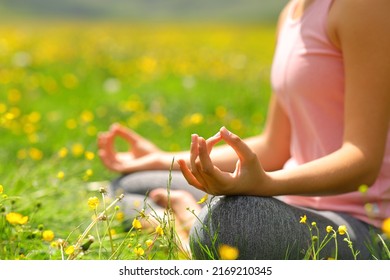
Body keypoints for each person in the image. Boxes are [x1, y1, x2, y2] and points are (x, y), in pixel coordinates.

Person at [97, 0, 390, 259]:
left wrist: (266, 184)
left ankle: (188, 225)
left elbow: (363, 162)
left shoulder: (363, 6)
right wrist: (166, 160)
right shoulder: (292, 12)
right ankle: (191, 227)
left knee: (233, 223)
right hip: (288, 201)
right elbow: (274, 146)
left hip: (362, 224)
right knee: (129, 185)